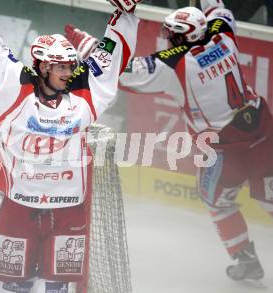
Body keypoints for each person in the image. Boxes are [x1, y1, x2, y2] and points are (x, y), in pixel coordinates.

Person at [65, 0, 273, 282]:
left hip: (225, 151)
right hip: (262, 133)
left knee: (216, 201)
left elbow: (118, 72)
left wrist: (87, 46)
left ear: (183, 37)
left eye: (173, 35)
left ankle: (245, 258)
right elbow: (216, 6)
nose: (168, 39)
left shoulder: (172, 66)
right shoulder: (222, 31)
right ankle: (246, 259)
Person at [0, 0, 142, 292]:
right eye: (60, 67)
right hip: (19, 208)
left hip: (69, 210)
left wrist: (125, 14)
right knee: (11, 286)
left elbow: (111, 56)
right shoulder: (11, 87)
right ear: (42, 66)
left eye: (71, 65)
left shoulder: (84, 90)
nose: (68, 72)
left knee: (55, 287)